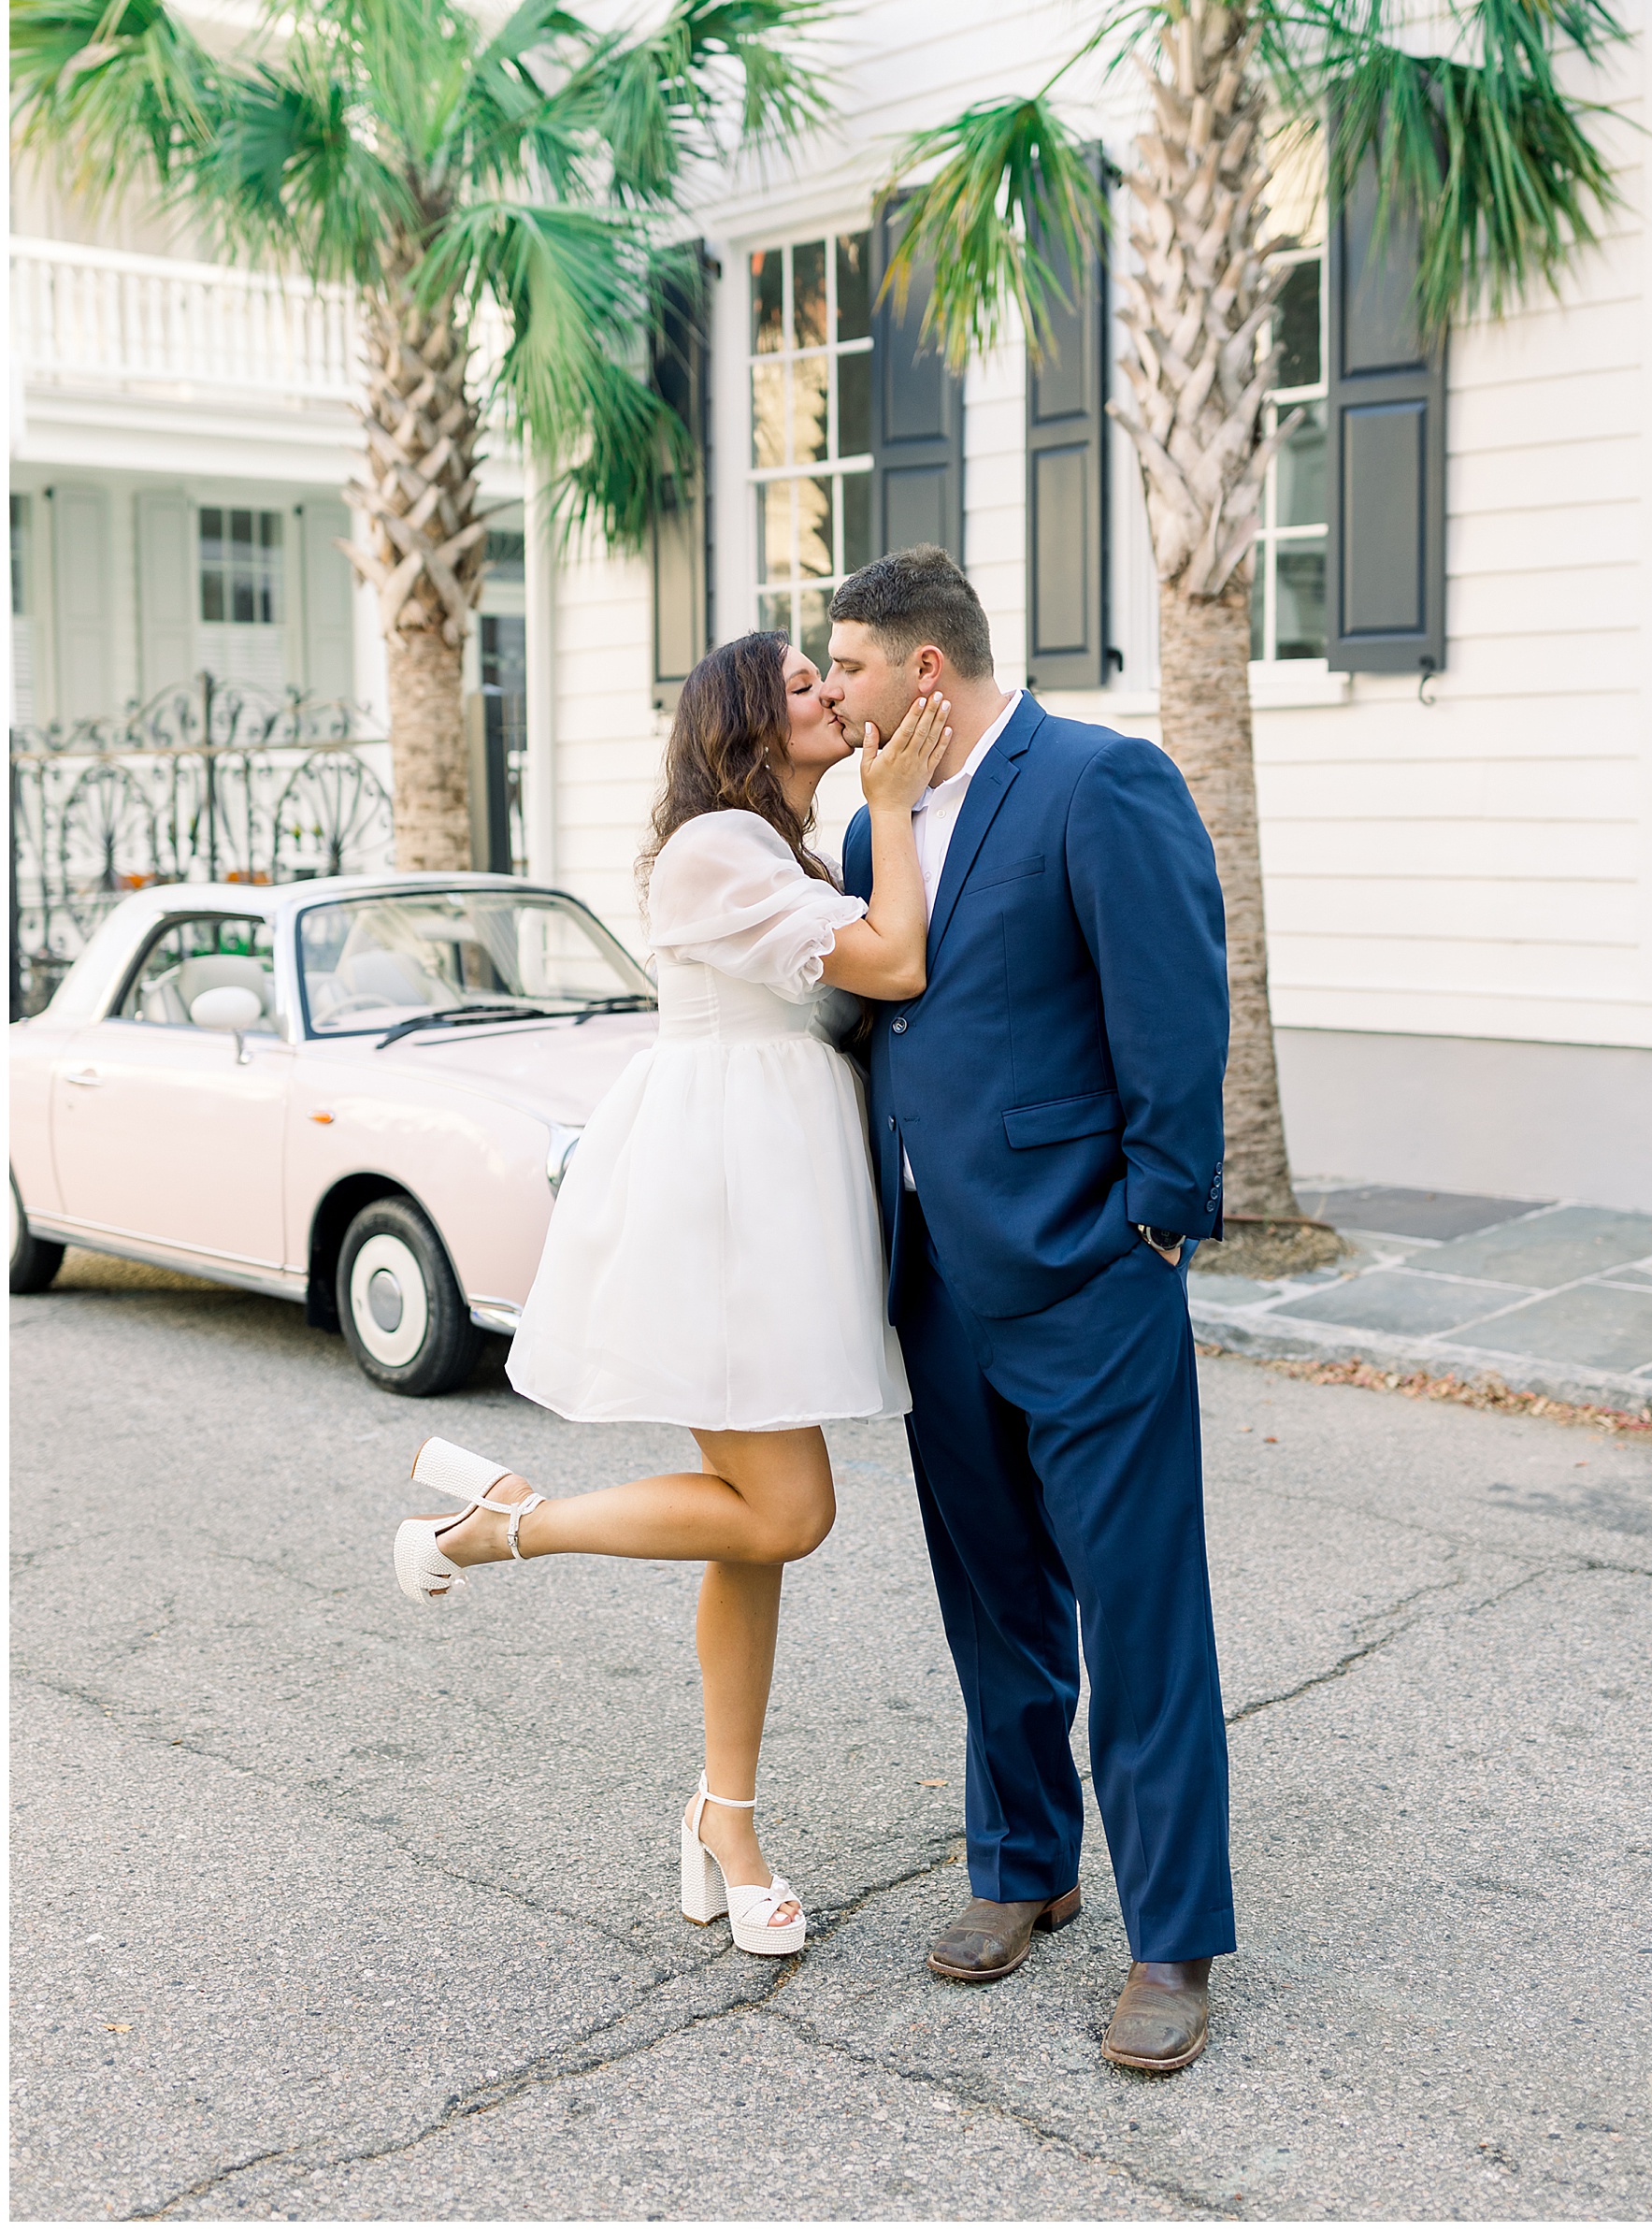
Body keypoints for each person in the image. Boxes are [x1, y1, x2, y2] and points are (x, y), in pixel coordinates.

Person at [392, 634, 951, 1959]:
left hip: (772, 1206)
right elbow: (893, 967)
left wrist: (876, 820)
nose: (832, 695)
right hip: (720, 1210)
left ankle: (727, 1816)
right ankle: (506, 1523)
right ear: (747, 721)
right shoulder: (714, 845)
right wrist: (890, 805)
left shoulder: (779, 851)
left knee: (751, 1529)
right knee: (791, 1510)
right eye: (807, 686)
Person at [824, 546, 1233, 2074]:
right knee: (992, 1594)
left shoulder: (1097, 779)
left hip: (1087, 1270)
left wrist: (1158, 1218)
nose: (833, 689)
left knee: (1140, 1610)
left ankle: (1176, 1936)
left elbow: (1177, 1003)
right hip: (933, 1275)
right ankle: (1023, 1864)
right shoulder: (883, 817)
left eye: (849, 664)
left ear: (925, 669)